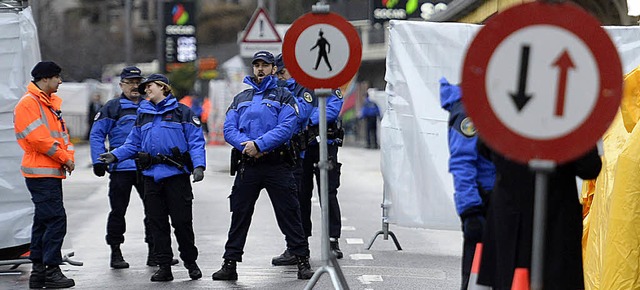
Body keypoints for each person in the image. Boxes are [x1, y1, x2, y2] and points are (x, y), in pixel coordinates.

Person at [211, 51, 313, 281]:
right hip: (249, 164)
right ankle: (230, 263)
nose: (260, 69)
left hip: (276, 162)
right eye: (256, 65)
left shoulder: (284, 96)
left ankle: (302, 261)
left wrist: (259, 144)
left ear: (273, 69)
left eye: (265, 65)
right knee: (239, 214)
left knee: (289, 213)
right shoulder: (241, 98)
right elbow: (229, 128)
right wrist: (245, 146)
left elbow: (287, 127)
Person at [99, 73, 206, 282]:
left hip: (176, 176)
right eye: (146, 87)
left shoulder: (182, 112)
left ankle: (191, 263)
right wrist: (115, 155)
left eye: (150, 86)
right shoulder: (143, 115)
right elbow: (132, 144)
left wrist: (199, 166)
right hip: (150, 177)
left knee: (182, 223)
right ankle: (164, 266)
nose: (146, 89)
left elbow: (195, 141)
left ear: (164, 88)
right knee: (157, 224)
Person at [476, 143, 601, 289]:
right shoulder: (570, 121)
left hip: (510, 218)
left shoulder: (505, 120)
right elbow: (589, 167)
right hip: (556, 221)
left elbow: (484, 147)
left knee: (509, 279)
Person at [90, 66, 178, 269]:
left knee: (154, 211)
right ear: (121, 85)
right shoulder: (113, 107)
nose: (135, 86)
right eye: (129, 82)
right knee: (118, 212)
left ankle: (155, 253)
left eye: (138, 82)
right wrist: (98, 161)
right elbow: (96, 134)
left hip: (146, 168)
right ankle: (116, 252)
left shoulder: (152, 106)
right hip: (121, 169)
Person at [13, 61, 75, 288]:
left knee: (43, 221)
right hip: (42, 172)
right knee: (56, 220)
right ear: (45, 78)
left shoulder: (47, 104)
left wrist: (67, 157)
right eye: (57, 77)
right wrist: (64, 158)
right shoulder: (30, 103)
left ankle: (39, 272)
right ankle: (51, 270)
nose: (60, 81)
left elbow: (61, 137)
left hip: (47, 172)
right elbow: (40, 140)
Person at [439, 78, 495, 289]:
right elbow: (462, 161)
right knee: (476, 277)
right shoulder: (468, 109)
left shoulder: (487, 103)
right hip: (482, 202)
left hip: (496, 199)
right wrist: (470, 210)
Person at [271, 53, 316, 266]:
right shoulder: (275, 89)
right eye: (278, 73)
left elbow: (301, 114)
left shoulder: (303, 89)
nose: (281, 76)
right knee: (286, 205)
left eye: (283, 72)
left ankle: (299, 248)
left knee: (297, 202)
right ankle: (293, 246)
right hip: (278, 156)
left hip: (296, 155)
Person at [300, 80, 345, 258]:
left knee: (328, 193)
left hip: (325, 145)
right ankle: (299, 243)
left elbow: (331, 110)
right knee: (301, 194)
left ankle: (333, 239)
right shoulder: (297, 86)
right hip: (303, 146)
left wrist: (307, 120)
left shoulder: (330, 85)